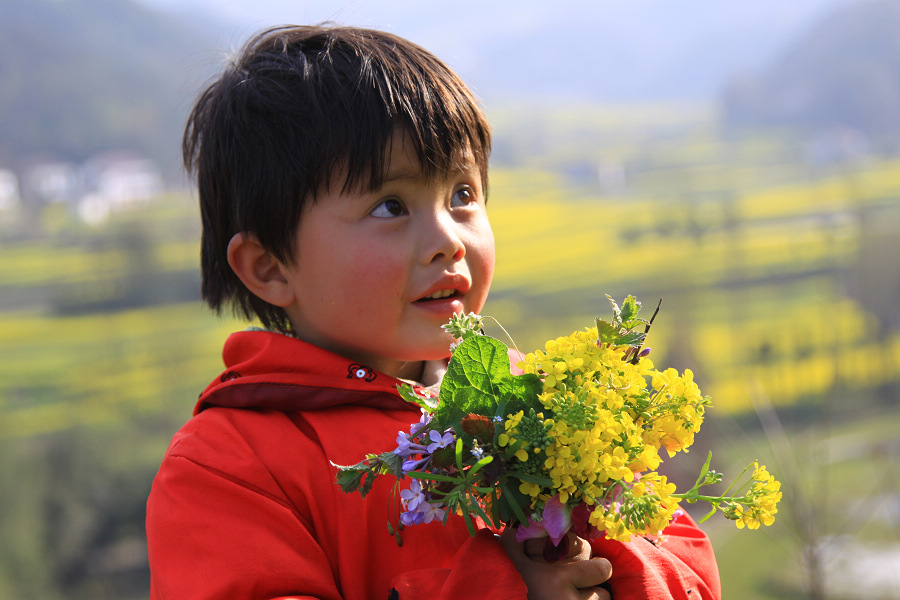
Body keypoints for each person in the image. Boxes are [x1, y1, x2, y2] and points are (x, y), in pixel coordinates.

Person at [145, 24, 721, 600]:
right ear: (270, 267)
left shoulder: (541, 402)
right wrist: (508, 588)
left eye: (463, 196)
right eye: (390, 205)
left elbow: (687, 566)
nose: (448, 239)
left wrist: (601, 565)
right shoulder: (228, 467)